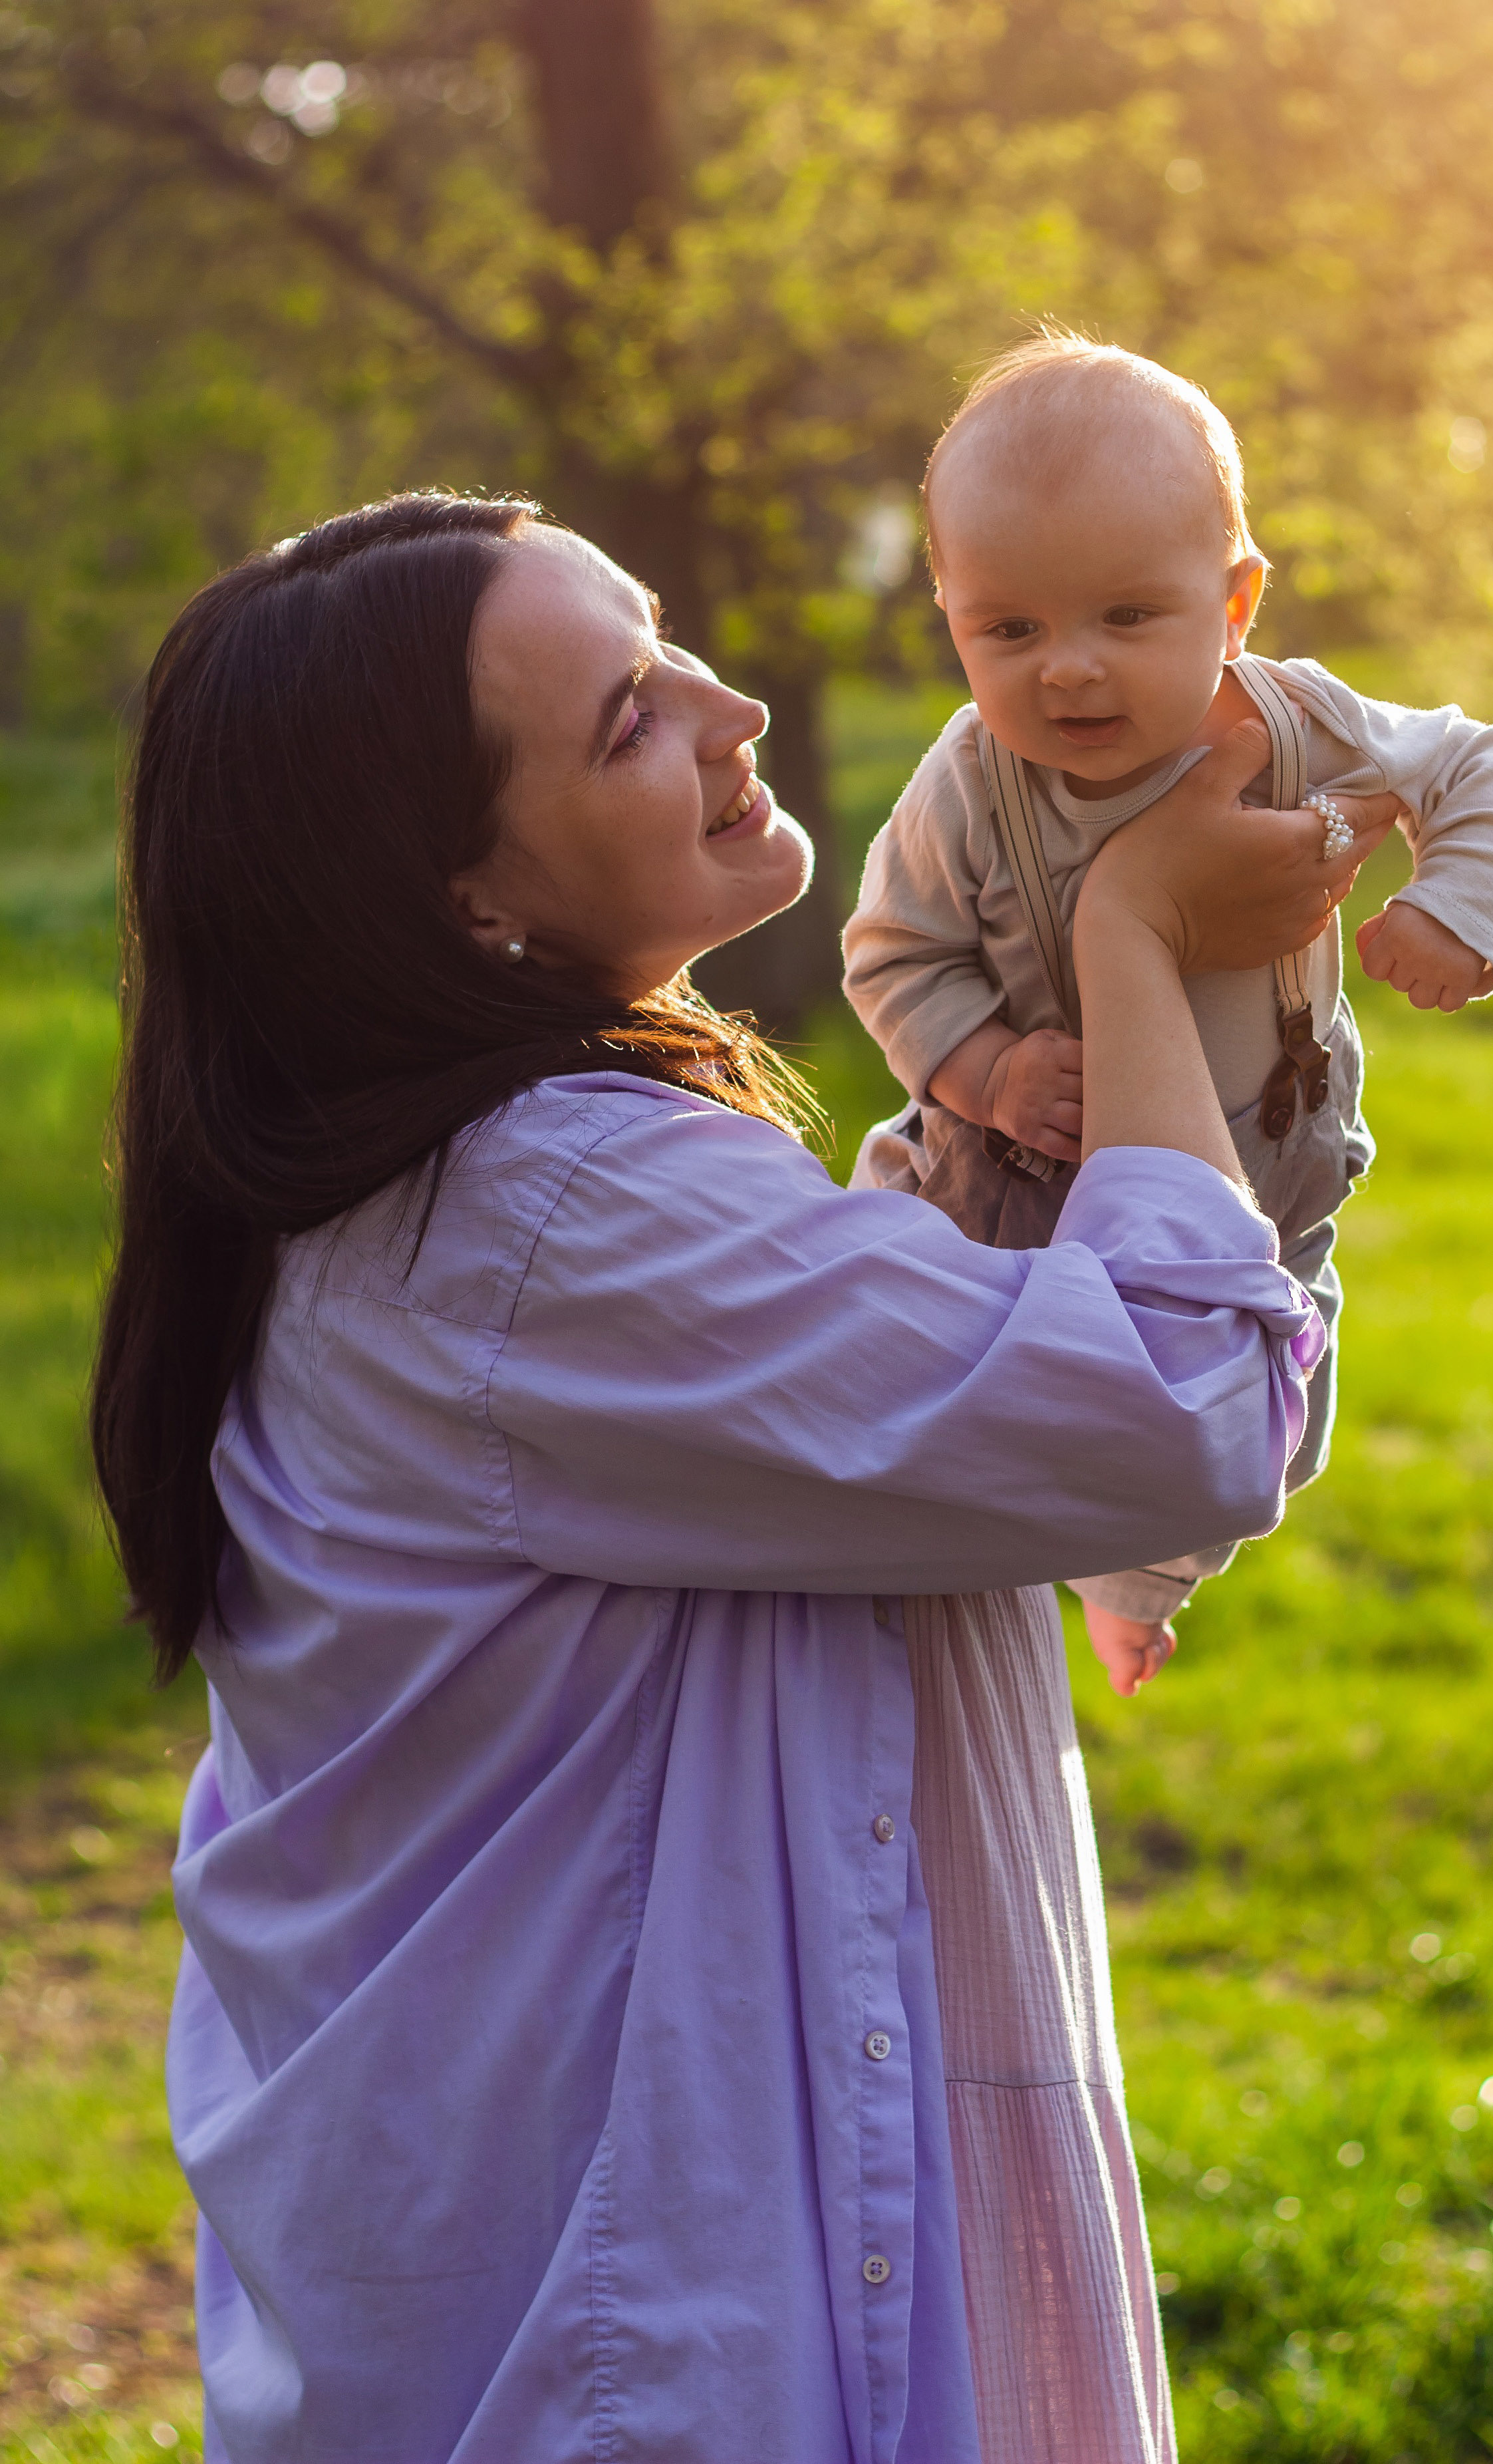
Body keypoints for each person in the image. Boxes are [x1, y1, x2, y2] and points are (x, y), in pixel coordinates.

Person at [92, 492, 1387, 2464]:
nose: (732, 707)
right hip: (642, 2325)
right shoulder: (552, 1217)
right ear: (460, 894)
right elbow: (1179, 1407)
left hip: (508, 2246)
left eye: (665, 639)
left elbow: (854, 1382)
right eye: (627, 715)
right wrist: (1130, 935)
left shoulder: (405, 1182)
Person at [843, 333, 1493, 1700]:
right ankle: (1010, 1572)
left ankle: (1136, 1586)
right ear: (949, 616)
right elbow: (892, 956)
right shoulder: (968, 786)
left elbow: (1474, 764)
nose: (1067, 671)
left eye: (1125, 617)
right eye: (1009, 630)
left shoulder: (1296, 724)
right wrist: (985, 1071)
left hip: (1260, 1176)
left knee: (1263, 1434)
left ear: (1232, 603)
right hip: (1025, 1184)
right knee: (957, 1362)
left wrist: (1455, 905)